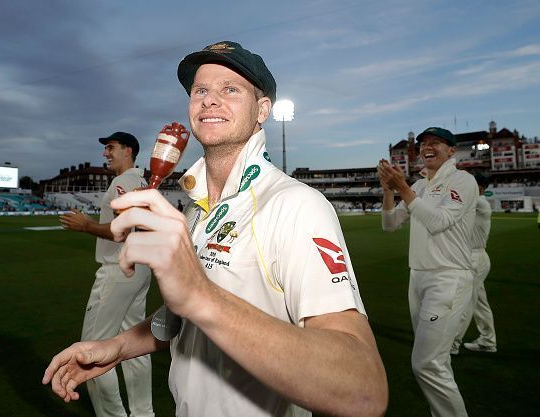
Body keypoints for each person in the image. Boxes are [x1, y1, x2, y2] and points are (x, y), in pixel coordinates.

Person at [44, 41, 388, 417]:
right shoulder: (198, 210)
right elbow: (181, 319)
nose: (210, 100)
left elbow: (364, 390)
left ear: (263, 111)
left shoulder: (296, 206)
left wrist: (201, 296)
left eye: (230, 89)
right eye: (201, 90)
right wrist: (119, 346)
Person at [378, 127, 478, 417]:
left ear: (451, 151)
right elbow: (390, 224)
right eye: (423, 143)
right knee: (438, 361)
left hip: (448, 277)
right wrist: (388, 190)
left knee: (426, 364)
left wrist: (404, 189)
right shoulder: (421, 186)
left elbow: (438, 222)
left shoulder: (463, 181)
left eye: (435, 142)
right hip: (418, 276)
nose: (426, 147)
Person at [58, 132, 155, 417]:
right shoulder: (142, 181)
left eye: (110, 148)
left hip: (118, 270)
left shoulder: (123, 182)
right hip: (141, 267)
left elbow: (121, 230)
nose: (105, 154)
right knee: (135, 349)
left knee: (93, 350)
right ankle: (143, 413)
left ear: (128, 150)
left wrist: (85, 225)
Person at [452, 173, 497, 354]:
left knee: (465, 302)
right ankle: (488, 340)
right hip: (473, 258)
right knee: (479, 303)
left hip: (475, 259)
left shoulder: (480, 202)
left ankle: (453, 344)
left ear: (480, 188)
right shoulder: (476, 202)